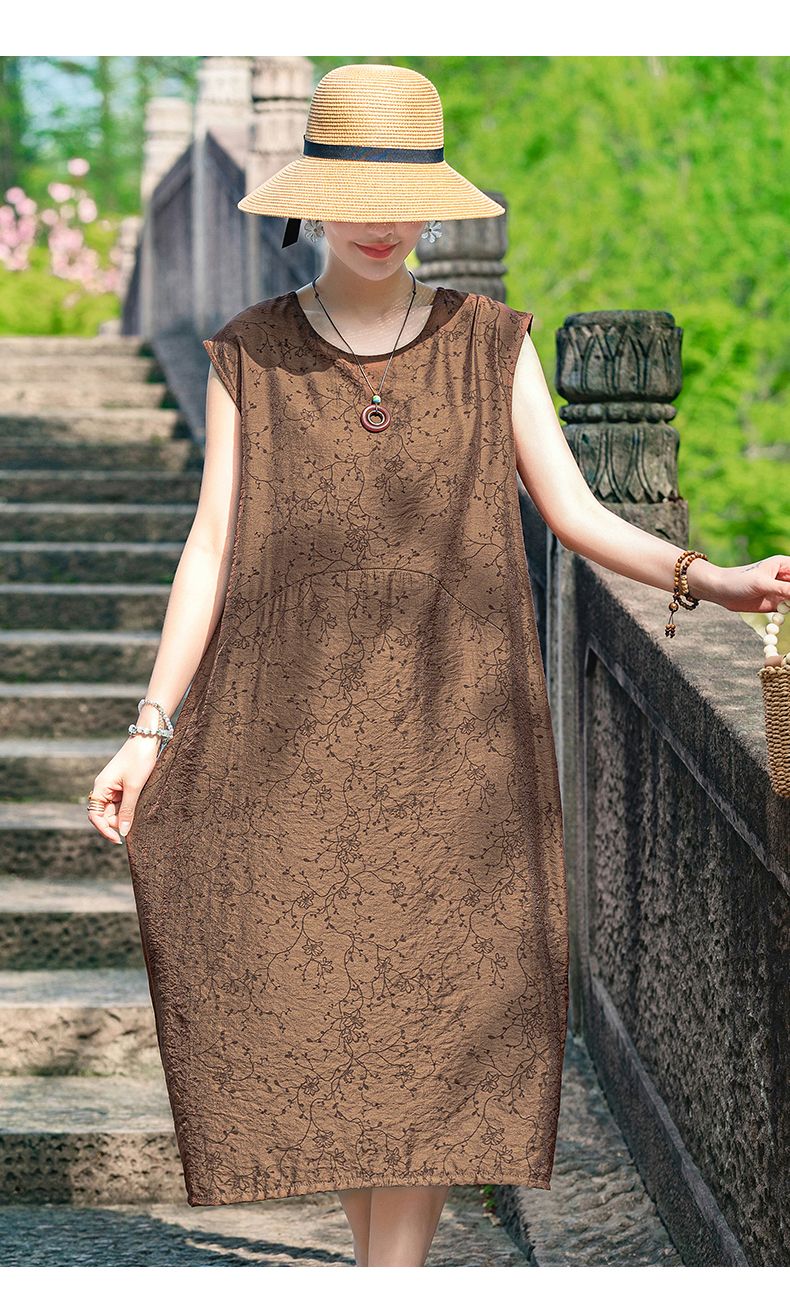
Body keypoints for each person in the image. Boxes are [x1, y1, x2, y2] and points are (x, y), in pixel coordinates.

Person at [86, 63, 790, 1268]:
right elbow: (210, 545)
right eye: (357, 197)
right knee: (337, 1025)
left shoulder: (489, 344)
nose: (381, 223)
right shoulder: (251, 353)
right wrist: (149, 730)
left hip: (458, 742)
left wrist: (710, 579)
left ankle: (391, 1277)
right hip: (292, 742)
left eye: (403, 198)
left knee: (428, 1029)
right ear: (311, 199)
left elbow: (574, 511)